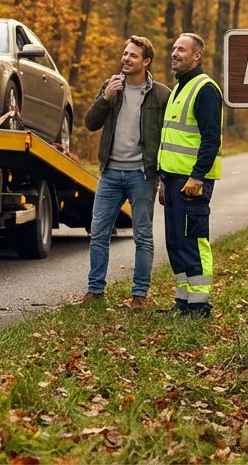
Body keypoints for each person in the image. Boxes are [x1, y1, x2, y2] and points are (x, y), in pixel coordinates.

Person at [81, 36, 170, 309]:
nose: (126, 58)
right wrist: (105, 98)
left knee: (142, 236)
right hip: (110, 173)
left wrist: (163, 177)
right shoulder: (111, 88)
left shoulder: (162, 95)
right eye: (125, 53)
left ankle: (139, 295)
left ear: (146, 61)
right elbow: (90, 123)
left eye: (132, 55)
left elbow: (167, 138)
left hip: (142, 176)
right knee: (98, 233)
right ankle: (95, 291)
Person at [158, 33, 223, 317]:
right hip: (173, 179)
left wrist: (197, 176)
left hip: (192, 182)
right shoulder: (179, 89)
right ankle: (183, 303)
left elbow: (211, 139)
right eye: (173, 48)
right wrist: (163, 178)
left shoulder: (205, 89)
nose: (174, 53)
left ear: (197, 55)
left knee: (193, 241)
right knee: (176, 243)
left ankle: (199, 306)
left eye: (181, 49)